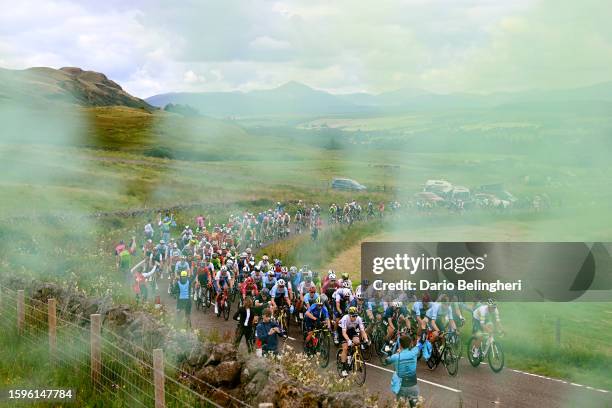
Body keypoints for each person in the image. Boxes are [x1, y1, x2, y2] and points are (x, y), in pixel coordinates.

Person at [383, 335, 420, 405]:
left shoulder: (396, 356)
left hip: (402, 388)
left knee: (400, 406)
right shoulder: (414, 352)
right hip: (413, 387)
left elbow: (386, 361)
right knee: (415, 406)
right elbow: (420, 344)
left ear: (400, 344)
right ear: (410, 344)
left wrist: (389, 349)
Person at [338, 306, 369, 377]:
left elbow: (362, 331)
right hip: (342, 330)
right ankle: (343, 369)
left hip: (351, 330)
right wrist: (348, 340)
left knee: (357, 342)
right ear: (349, 315)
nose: (354, 317)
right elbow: (344, 333)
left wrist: (366, 339)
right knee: (345, 348)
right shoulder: (345, 318)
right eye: (353, 316)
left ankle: (350, 357)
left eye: (356, 316)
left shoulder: (358, 319)